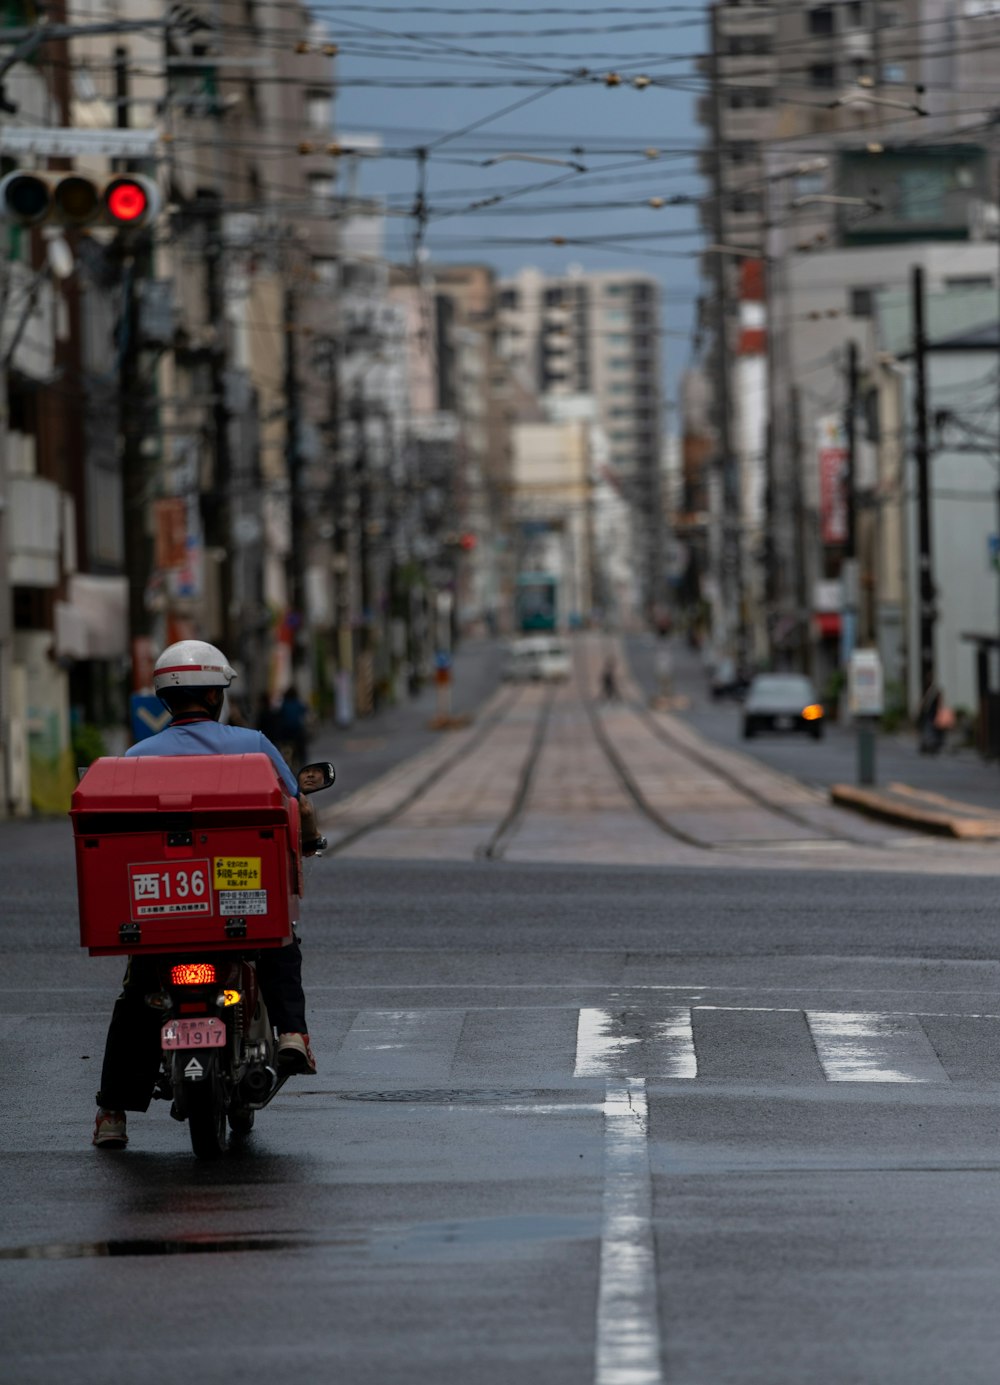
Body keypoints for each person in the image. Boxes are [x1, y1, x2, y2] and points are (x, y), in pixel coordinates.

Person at [93, 640, 323, 1150]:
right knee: (280, 942)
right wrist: (309, 839)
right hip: (237, 906)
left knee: (137, 994)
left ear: (165, 701)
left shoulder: (135, 758)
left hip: (160, 912)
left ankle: (112, 1113)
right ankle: (291, 1036)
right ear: (218, 696)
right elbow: (298, 808)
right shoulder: (253, 746)